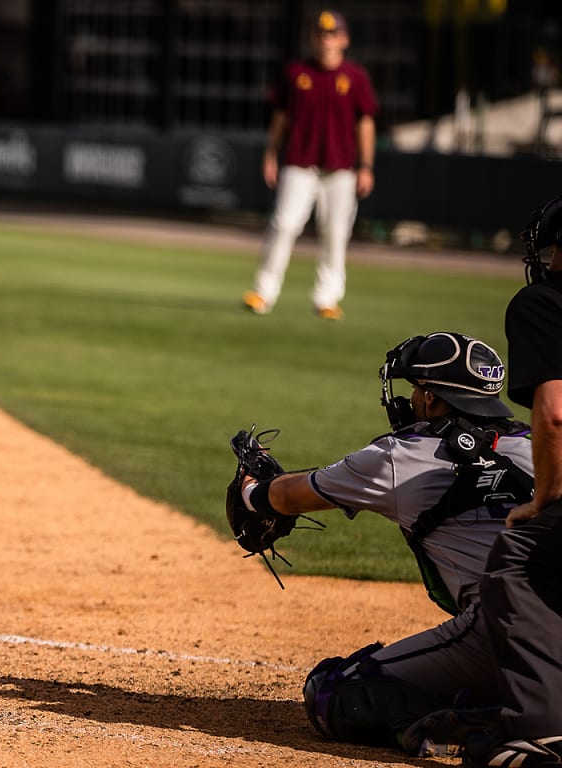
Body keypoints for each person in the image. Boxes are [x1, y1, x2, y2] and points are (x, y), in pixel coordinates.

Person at [235, 332, 534, 752]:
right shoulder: (539, 447)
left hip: (507, 625)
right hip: (550, 618)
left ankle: (490, 725)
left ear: (430, 399)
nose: (410, 398)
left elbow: (283, 497)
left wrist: (251, 489)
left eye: (415, 389)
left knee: (332, 693)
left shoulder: (401, 455)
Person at [402, 198, 562, 767]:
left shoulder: (542, 302)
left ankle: (541, 734)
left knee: (521, 554)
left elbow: (554, 413)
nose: (546, 259)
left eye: (552, 248)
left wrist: (544, 500)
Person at [243, 10, 378, 320]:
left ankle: (327, 298)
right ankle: (263, 292)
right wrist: (270, 153)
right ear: (313, 38)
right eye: (320, 34)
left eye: (332, 35)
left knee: (335, 233)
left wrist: (366, 166)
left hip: (340, 167)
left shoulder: (354, 77)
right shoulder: (296, 73)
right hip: (300, 163)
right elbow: (280, 118)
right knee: (284, 224)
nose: (326, 40)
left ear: (343, 39)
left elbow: (365, 123)